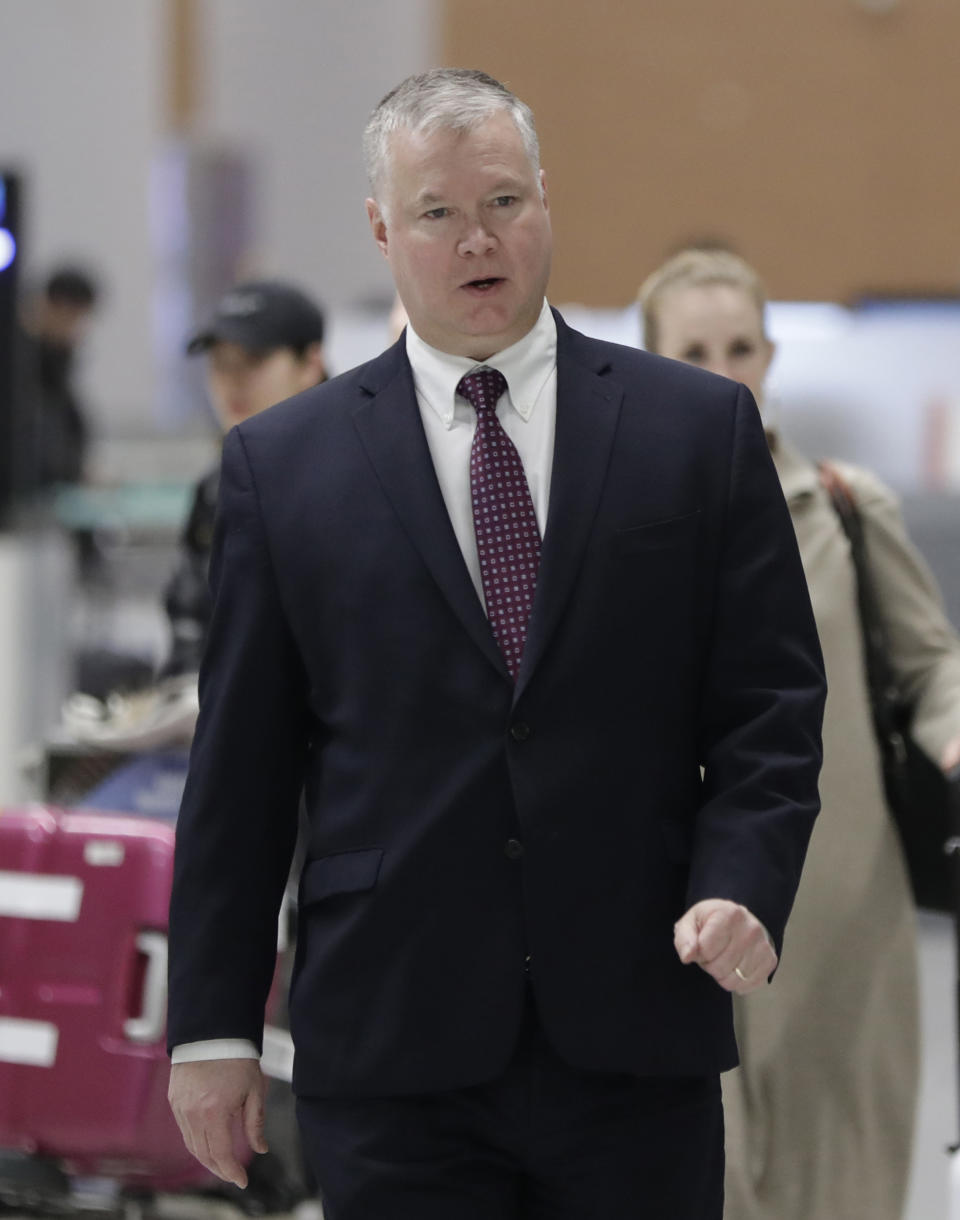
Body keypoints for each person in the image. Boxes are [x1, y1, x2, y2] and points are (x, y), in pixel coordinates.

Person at [166, 69, 826, 1220]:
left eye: (506, 203)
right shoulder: (284, 468)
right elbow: (242, 775)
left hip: (635, 1025)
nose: (481, 240)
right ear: (382, 226)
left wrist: (746, 883)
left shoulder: (695, 433)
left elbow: (770, 704)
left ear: (547, 200)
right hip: (393, 1039)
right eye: (438, 213)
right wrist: (213, 1024)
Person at [638, 246, 960, 1220]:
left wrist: (953, 730)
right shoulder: (610, 525)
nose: (724, 366)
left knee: (843, 1178)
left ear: (772, 353)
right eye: (694, 348)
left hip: (838, 911)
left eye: (741, 344)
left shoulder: (846, 508)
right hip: (673, 911)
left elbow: (927, 661)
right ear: (652, 360)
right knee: (693, 1171)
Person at [161, 280, 327, 678]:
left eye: (253, 360)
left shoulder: (358, 476)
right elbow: (189, 618)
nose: (231, 381)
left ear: (310, 364)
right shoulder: (216, 486)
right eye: (219, 363)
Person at [18, 265, 100, 491]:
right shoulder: (19, 361)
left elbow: (72, 426)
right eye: (75, 318)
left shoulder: (55, 361)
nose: (78, 331)